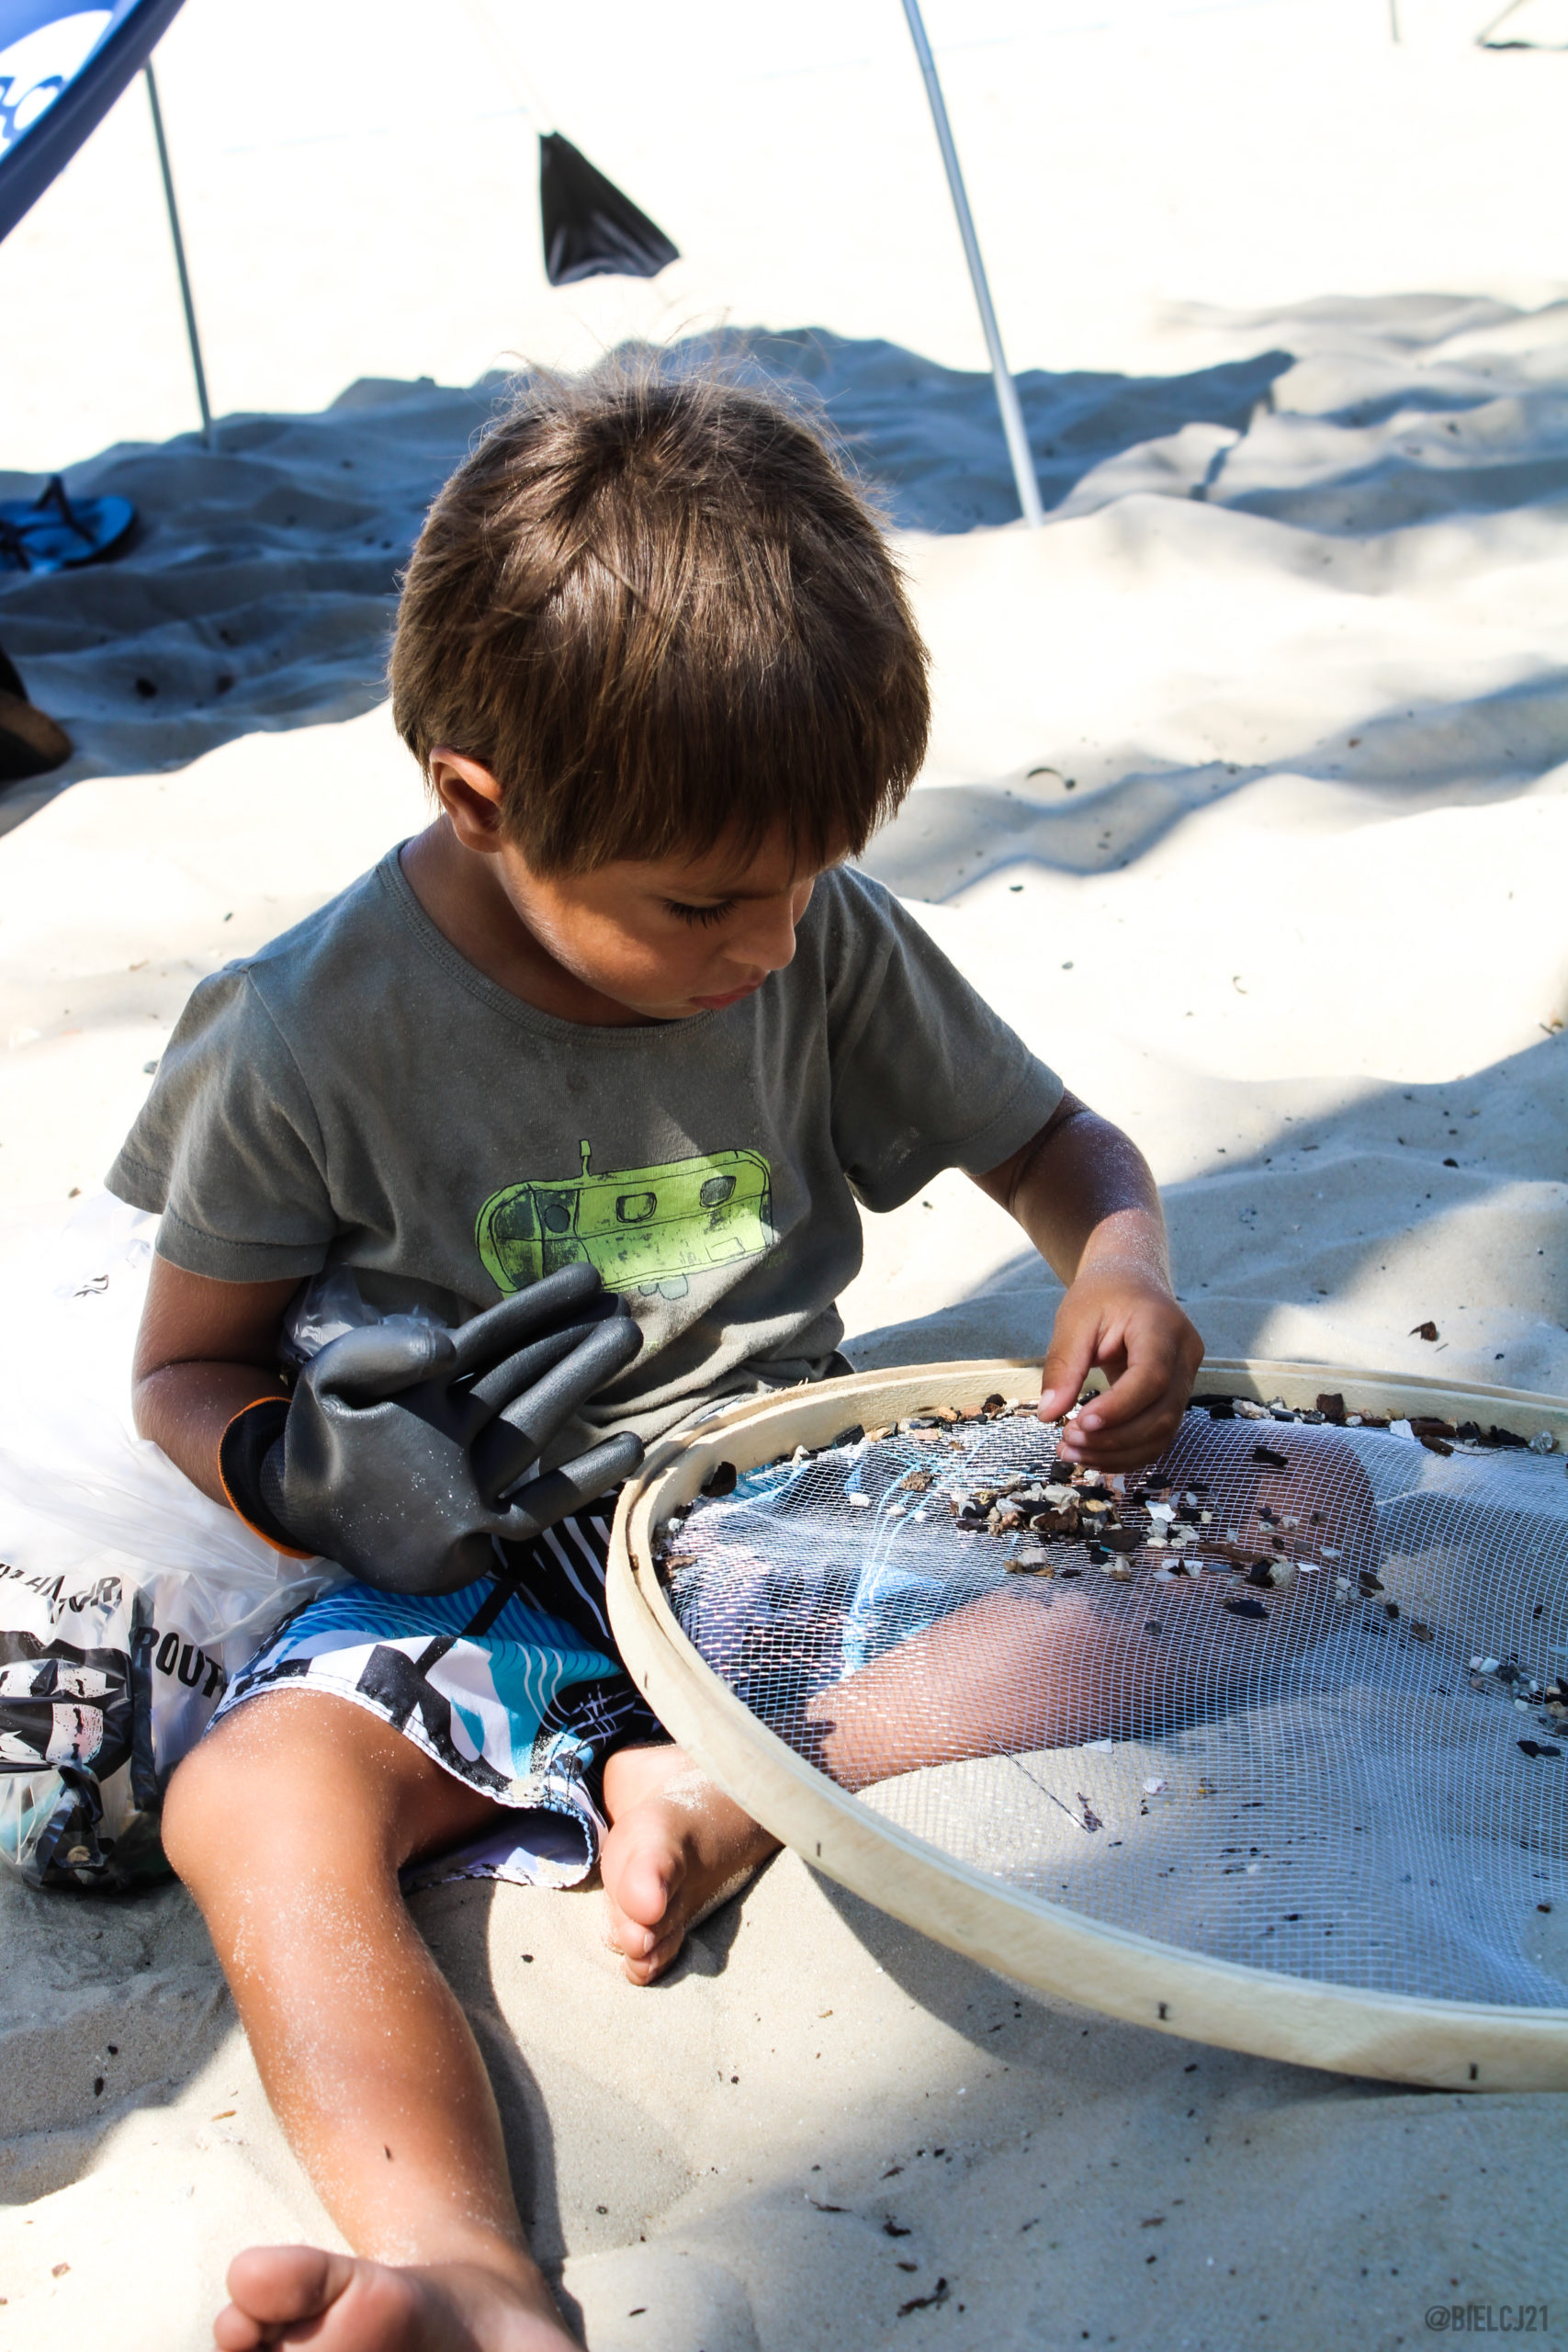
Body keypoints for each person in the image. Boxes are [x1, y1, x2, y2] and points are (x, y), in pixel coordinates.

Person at [114, 362, 1202, 2352]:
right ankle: (460, 2260)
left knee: (1256, 1504)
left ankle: (727, 1775)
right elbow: (183, 1369)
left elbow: (1055, 1147)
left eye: (801, 880)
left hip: (781, 1502)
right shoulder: (298, 1033)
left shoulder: (810, 928)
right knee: (251, 1802)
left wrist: (1113, 1257)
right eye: (705, 901)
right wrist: (298, 1471)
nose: (773, 946)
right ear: (479, 800)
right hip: (477, 1548)